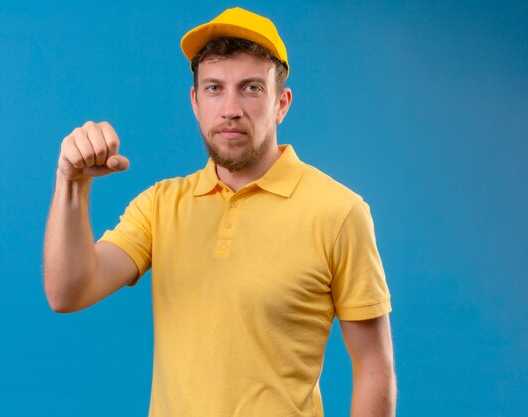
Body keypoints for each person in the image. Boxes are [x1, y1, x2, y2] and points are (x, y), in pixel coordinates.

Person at [43, 7, 396, 417]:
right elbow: (68, 293)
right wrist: (72, 184)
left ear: (281, 103)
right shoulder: (161, 205)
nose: (230, 108)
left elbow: (374, 365)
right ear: (195, 101)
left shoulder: (339, 212)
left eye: (250, 88)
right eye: (214, 88)